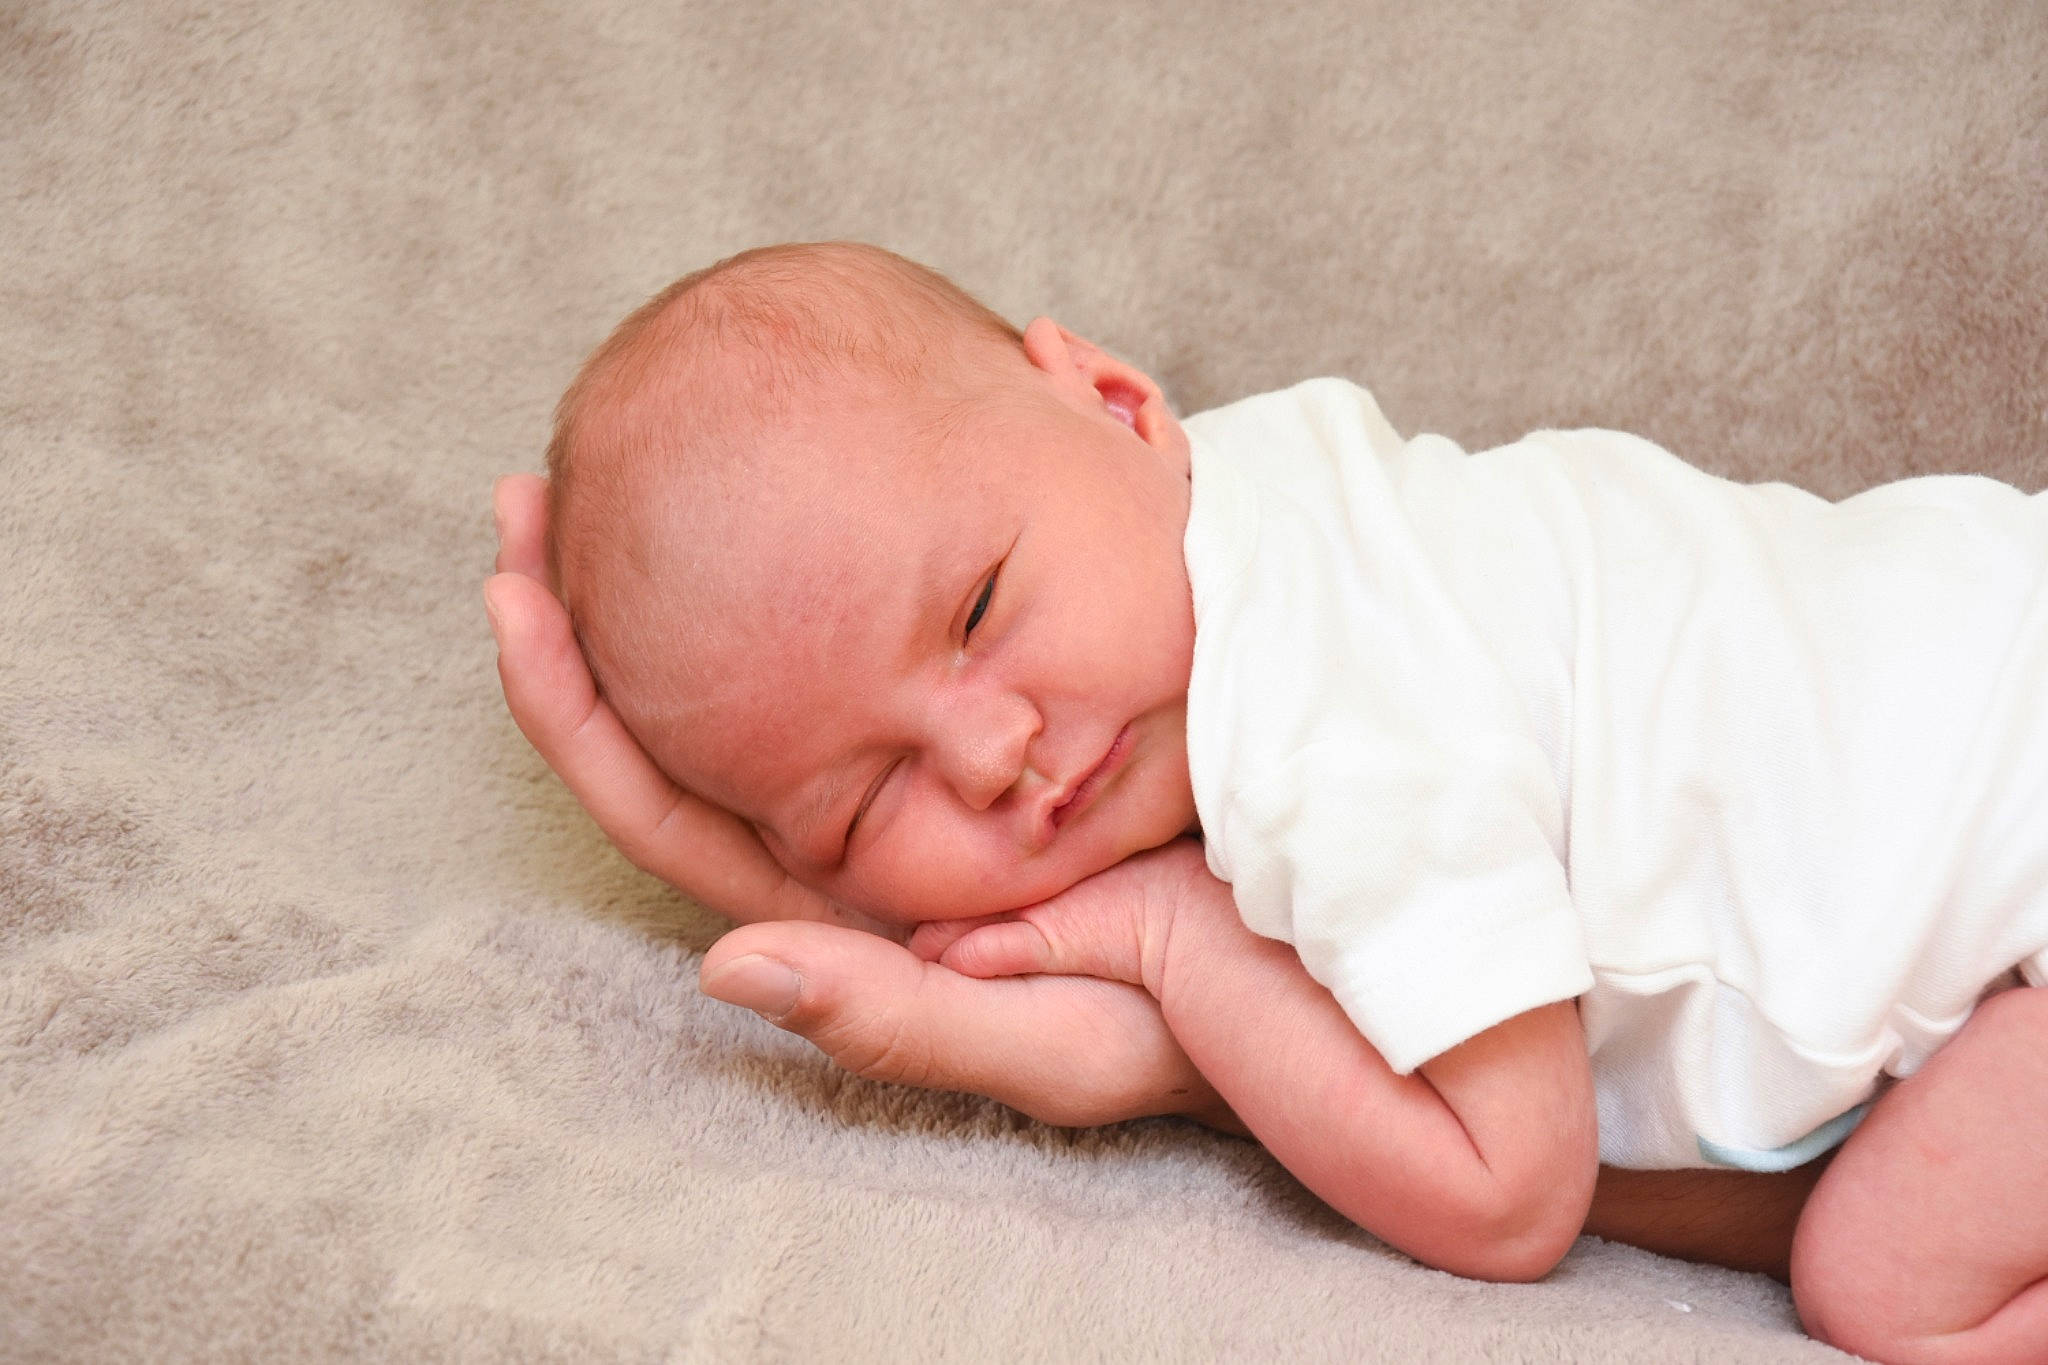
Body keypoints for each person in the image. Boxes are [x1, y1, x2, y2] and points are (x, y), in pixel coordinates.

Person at [486, 242, 2048, 1363]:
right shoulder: (1243, 495)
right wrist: (775, 862)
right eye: (860, 798)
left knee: (1885, 1284)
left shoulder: (1315, 724)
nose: (984, 754)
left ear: (1111, 397)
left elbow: (1512, 1197)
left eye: (973, 610)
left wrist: (1180, 949)